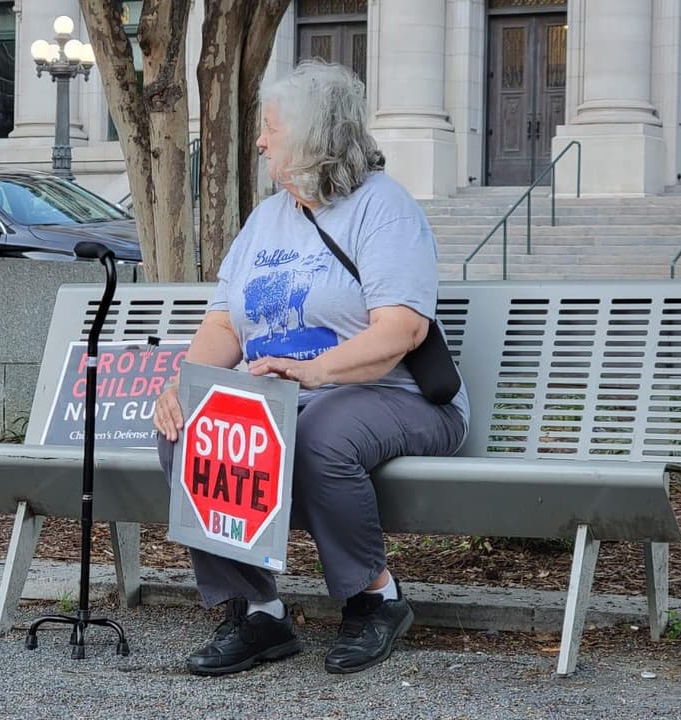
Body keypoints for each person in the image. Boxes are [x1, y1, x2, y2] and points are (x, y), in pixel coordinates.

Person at [153, 60, 470, 677]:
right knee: (190, 428)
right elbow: (225, 324)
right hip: (295, 398)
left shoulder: (384, 209)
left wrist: (313, 372)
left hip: (396, 394)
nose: (262, 140)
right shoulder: (268, 217)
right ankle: (259, 611)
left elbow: (402, 330)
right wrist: (184, 385)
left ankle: (375, 599)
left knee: (323, 435)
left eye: (271, 128)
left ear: (312, 139)